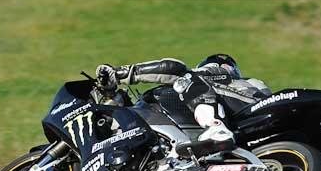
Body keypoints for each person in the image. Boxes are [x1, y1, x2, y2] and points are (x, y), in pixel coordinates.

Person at [95, 54, 271, 158]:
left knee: (183, 76)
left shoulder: (215, 76)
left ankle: (216, 127)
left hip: (243, 112)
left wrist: (117, 75)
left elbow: (171, 69)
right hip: (239, 128)